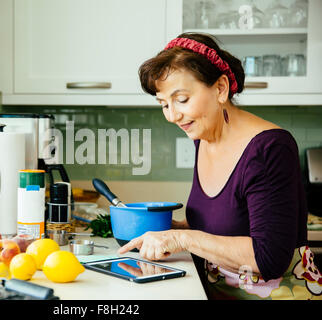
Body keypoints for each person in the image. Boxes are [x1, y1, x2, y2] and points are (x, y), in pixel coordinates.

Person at [118, 32, 322, 300]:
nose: (172, 115)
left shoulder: (270, 149)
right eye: (163, 104)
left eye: (181, 100)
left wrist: (180, 239)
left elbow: (270, 258)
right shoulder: (203, 138)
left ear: (221, 88)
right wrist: (168, 229)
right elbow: (220, 224)